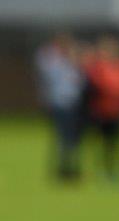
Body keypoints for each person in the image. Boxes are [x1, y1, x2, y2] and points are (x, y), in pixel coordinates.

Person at [84, 35, 119, 180]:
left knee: (118, 144)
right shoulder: (98, 68)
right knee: (102, 144)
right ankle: (102, 170)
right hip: (101, 112)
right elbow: (96, 86)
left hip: (118, 113)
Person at [34, 31, 85, 180]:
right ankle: (61, 168)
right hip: (59, 105)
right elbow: (44, 67)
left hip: (74, 105)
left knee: (73, 138)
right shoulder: (53, 62)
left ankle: (72, 167)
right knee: (61, 137)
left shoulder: (74, 64)